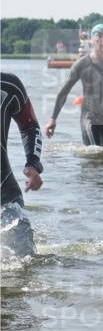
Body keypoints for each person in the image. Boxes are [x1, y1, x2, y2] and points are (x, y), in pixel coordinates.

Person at [46, 23, 103, 146]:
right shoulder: (82, 65)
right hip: (89, 118)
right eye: (99, 36)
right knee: (93, 152)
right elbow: (64, 91)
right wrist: (53, 118)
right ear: (92, 40)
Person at [1, 73, 44, 256]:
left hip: (4, 193)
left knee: (26, 260)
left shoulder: (9, 85)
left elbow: (29, 126)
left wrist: (32, 164)